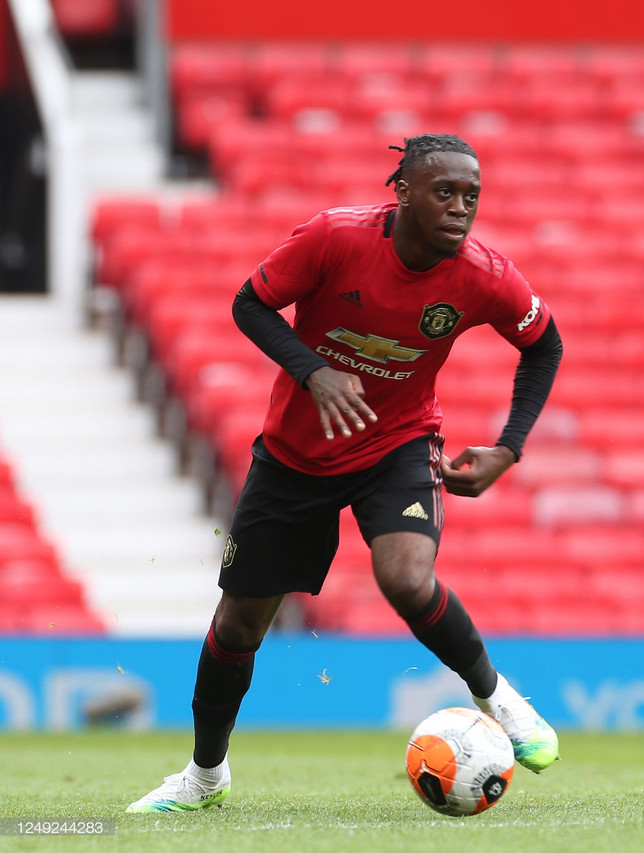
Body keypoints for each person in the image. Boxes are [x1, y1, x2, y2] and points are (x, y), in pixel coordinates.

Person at [128, 133, 563, 812]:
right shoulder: (334, 238)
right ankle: (204, 776)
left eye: (471, 195)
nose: (460, 207)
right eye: (444, 191)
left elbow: (545, 344)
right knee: (240, 623)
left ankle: (501, 700)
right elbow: (249, 303)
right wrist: (313, 370)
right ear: (403, 191)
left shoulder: (484, 275)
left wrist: (509, 447)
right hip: (297, 454)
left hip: (399, 441)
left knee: (405, 576)